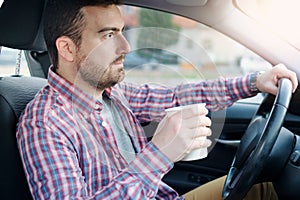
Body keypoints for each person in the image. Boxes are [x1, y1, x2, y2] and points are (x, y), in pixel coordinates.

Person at [17, 0, 298, 199]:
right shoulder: (44, 124)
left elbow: (177, 96)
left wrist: (253, 82)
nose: (125, 46)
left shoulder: (113, 95)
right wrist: (160, 154)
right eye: (109, 35)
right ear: (67, 48)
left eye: (122, 32)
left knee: (267, 186)